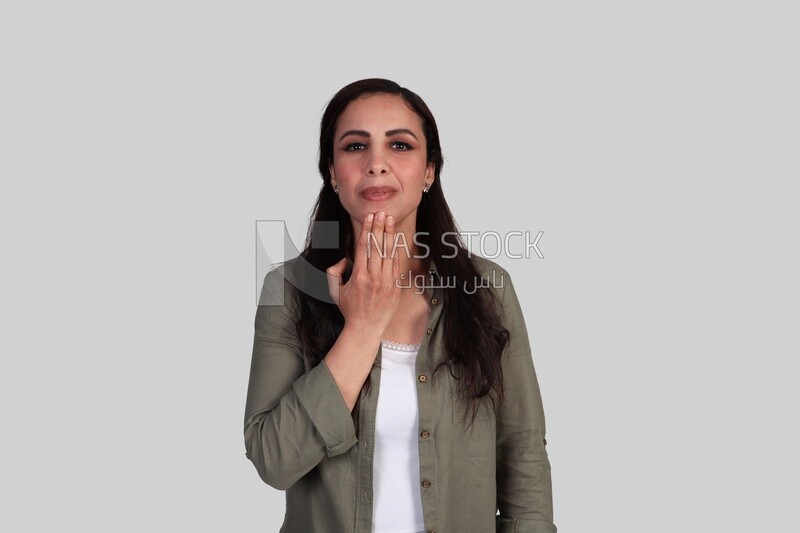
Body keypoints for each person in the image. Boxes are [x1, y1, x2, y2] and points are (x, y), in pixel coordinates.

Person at [244, 78, 556, 533]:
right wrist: (363, 326)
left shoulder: (489, 290)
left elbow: (523, 456)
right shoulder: (288, 291)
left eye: (400, 145)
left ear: (429, 171)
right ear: (332, 171)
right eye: (355, 146)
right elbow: (274, 461)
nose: (377, 165)